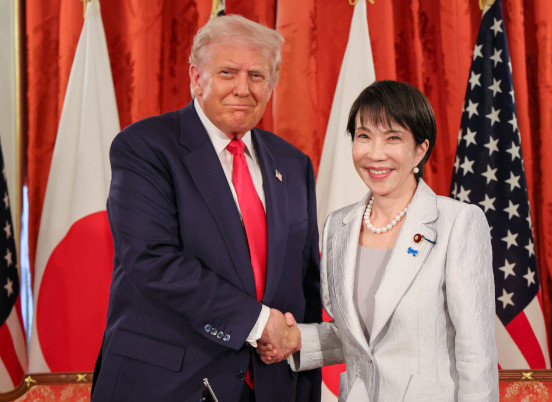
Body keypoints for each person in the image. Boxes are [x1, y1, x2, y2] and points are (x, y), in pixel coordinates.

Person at [92, 15, 321, 402]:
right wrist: (258, 322)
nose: (243, 88)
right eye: (227, 72)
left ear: (272, 84)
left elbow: (305, 289)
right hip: (167, 387)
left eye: (257, 76)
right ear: (196, 78)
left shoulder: (293, 164)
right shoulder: (145, 147)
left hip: (270, 388)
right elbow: (152, 261)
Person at [259, 80, 498, 401]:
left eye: (393, 137)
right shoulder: (338, 226)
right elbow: (360, 337)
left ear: (420, 149)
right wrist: (298, 339)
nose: (374, 153)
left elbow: (476, 355)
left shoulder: (457, 223)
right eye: (364, 136)